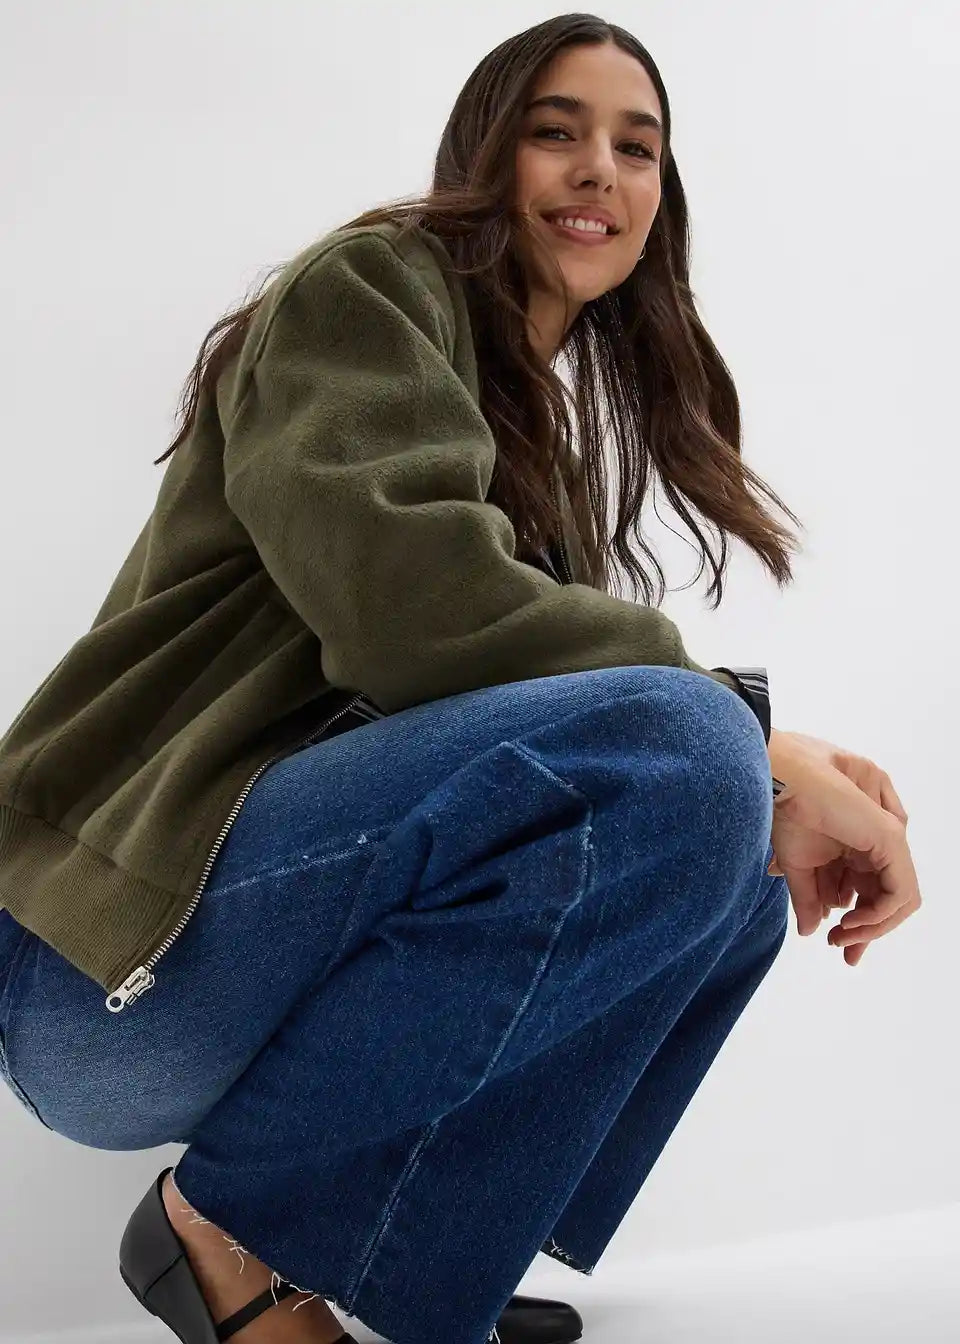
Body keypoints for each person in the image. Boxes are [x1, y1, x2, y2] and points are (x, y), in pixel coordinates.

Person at [0, 14, 921, 1344]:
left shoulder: (520, 421)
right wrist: (748, 736)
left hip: (239, 944)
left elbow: (512, 716)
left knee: (725, 847)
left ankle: (420, 1266)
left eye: (638, 148)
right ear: (484, 153)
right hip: (106, 967)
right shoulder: (366, 289)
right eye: (556, 131)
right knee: (691, 752)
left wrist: (749, 787)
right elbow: (413, 613)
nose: (600, 168)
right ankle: (229, 1239)